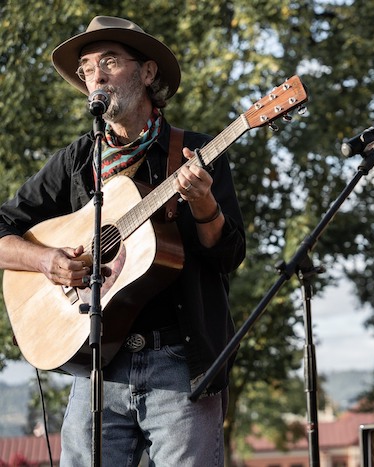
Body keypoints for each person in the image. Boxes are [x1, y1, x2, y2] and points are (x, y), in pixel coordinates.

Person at [0, 16, 246, 466]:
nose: (96, 74)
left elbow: (228, 254)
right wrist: (46, 261)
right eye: (88, 68)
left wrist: (205, 203)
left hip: (179, 361)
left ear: (148, 73)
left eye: (110, 61)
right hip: (98, 364)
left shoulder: (195, 152)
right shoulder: (77, 160)